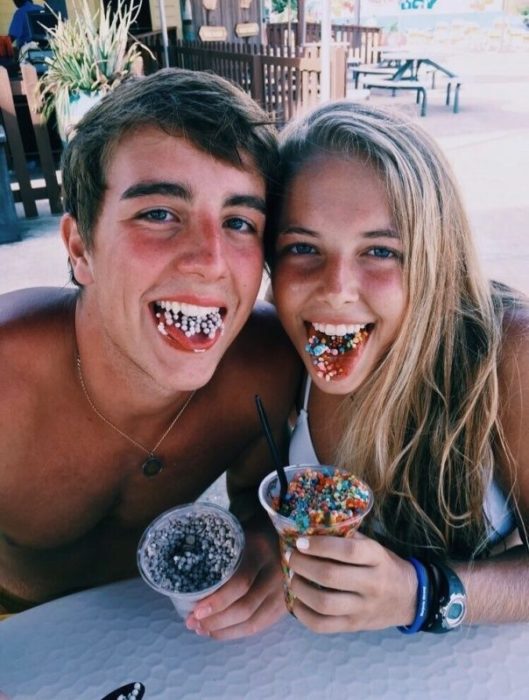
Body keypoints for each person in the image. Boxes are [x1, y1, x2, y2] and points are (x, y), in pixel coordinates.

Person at [0, 68, 301, 638]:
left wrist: (263, 543)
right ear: (80, 247)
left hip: (164, 629)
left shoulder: (264, 366)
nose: (210, 260)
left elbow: (257, 502)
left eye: (239, 221)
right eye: (159, 213)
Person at [267, 100, 529, 634]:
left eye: (381, 251)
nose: (336, 291)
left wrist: (422, 593)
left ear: (436, 259)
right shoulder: (280, 347)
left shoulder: (508, 354)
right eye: (303, 247)